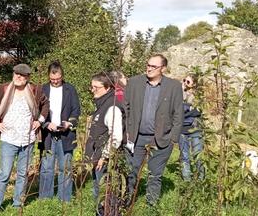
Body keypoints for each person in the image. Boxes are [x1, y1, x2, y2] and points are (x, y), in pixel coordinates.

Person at [0, 63, 49, 211]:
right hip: (9, 139)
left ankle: (18, 204)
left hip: (28, 139)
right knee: (4, 173)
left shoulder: (35, 90)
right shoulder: (4, 89)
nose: (18, 77)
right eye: (16, 74)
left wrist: (40, 120)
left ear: (28, 77)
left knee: (23, 174)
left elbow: (45, 105)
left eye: (22, 75)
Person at [124, 53, 183, 207]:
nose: (149, 69)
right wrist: (127, 131)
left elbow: (178, 113)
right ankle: (126, 202)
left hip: (161, 138)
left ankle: (151, 205)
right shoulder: (134, 83)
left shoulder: (173, 86)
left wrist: (173, 139)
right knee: (131, 172)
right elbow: (126, 107)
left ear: (163, 68)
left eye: (153, 66)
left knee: (155, 174)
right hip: (136, 137)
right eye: (148, 65)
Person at [38, 61, 80, 201]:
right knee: (46, 167)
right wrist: (46, 124)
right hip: (48, 135)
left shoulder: (70, 90)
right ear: (48, 76)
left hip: (66, 134)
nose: (55, 81)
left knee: (65, 168)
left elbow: (76, 110)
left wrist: (70, 122)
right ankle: (45, 198)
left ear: (62, 75)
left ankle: (65, 198)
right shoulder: (42, 90)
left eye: (58, 78)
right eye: (52, 79)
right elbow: (36, 111)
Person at [84, 73, 124, 200]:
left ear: (107, 88)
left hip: (104, 158)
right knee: (97, 189)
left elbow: (116, 137)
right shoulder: (101, 104)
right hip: (97, 155)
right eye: (92, 87)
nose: (93, 90)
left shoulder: (112, 107)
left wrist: (105, 156)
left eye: (96, 87)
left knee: (104, 193)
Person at [179, 74, 205, 181]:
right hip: (182, 129)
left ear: (194, 84)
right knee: (184, 156)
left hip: (195, 129)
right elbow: (174, 109)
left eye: (188, 82)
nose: (185, 83)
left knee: (198, 156)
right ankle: (187, 180)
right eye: (184, 80)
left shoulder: (198, 96)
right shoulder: (179, 93)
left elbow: (197, 111)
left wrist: (184, 113)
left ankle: (201, 179)